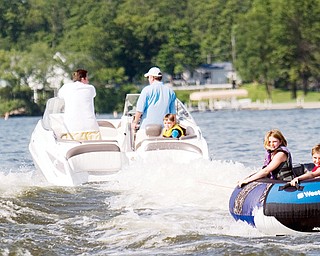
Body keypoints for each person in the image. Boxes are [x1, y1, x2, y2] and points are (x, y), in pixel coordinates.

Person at [58, 69, 101, 140]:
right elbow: (93, 95)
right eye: (87, 78)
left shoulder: (65, 87)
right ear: (83, 79)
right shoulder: (91, 88)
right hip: (91, 128)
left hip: (71, 129)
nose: (88, 81)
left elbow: (60, 96)